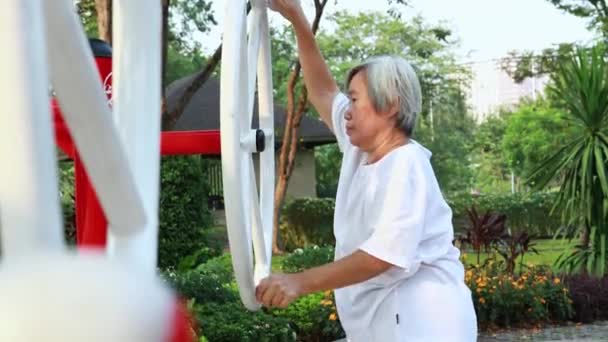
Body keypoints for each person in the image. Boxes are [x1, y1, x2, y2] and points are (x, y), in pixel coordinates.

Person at [256, 1, 478, 341]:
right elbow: (322, 91)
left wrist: (298, 282)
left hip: (426, 323)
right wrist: (298, 19)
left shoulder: (406, 165)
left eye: (355, 99)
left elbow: (381, 256)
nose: (346, 109)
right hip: (386, 322)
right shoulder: (361, 150)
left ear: (389, 105)